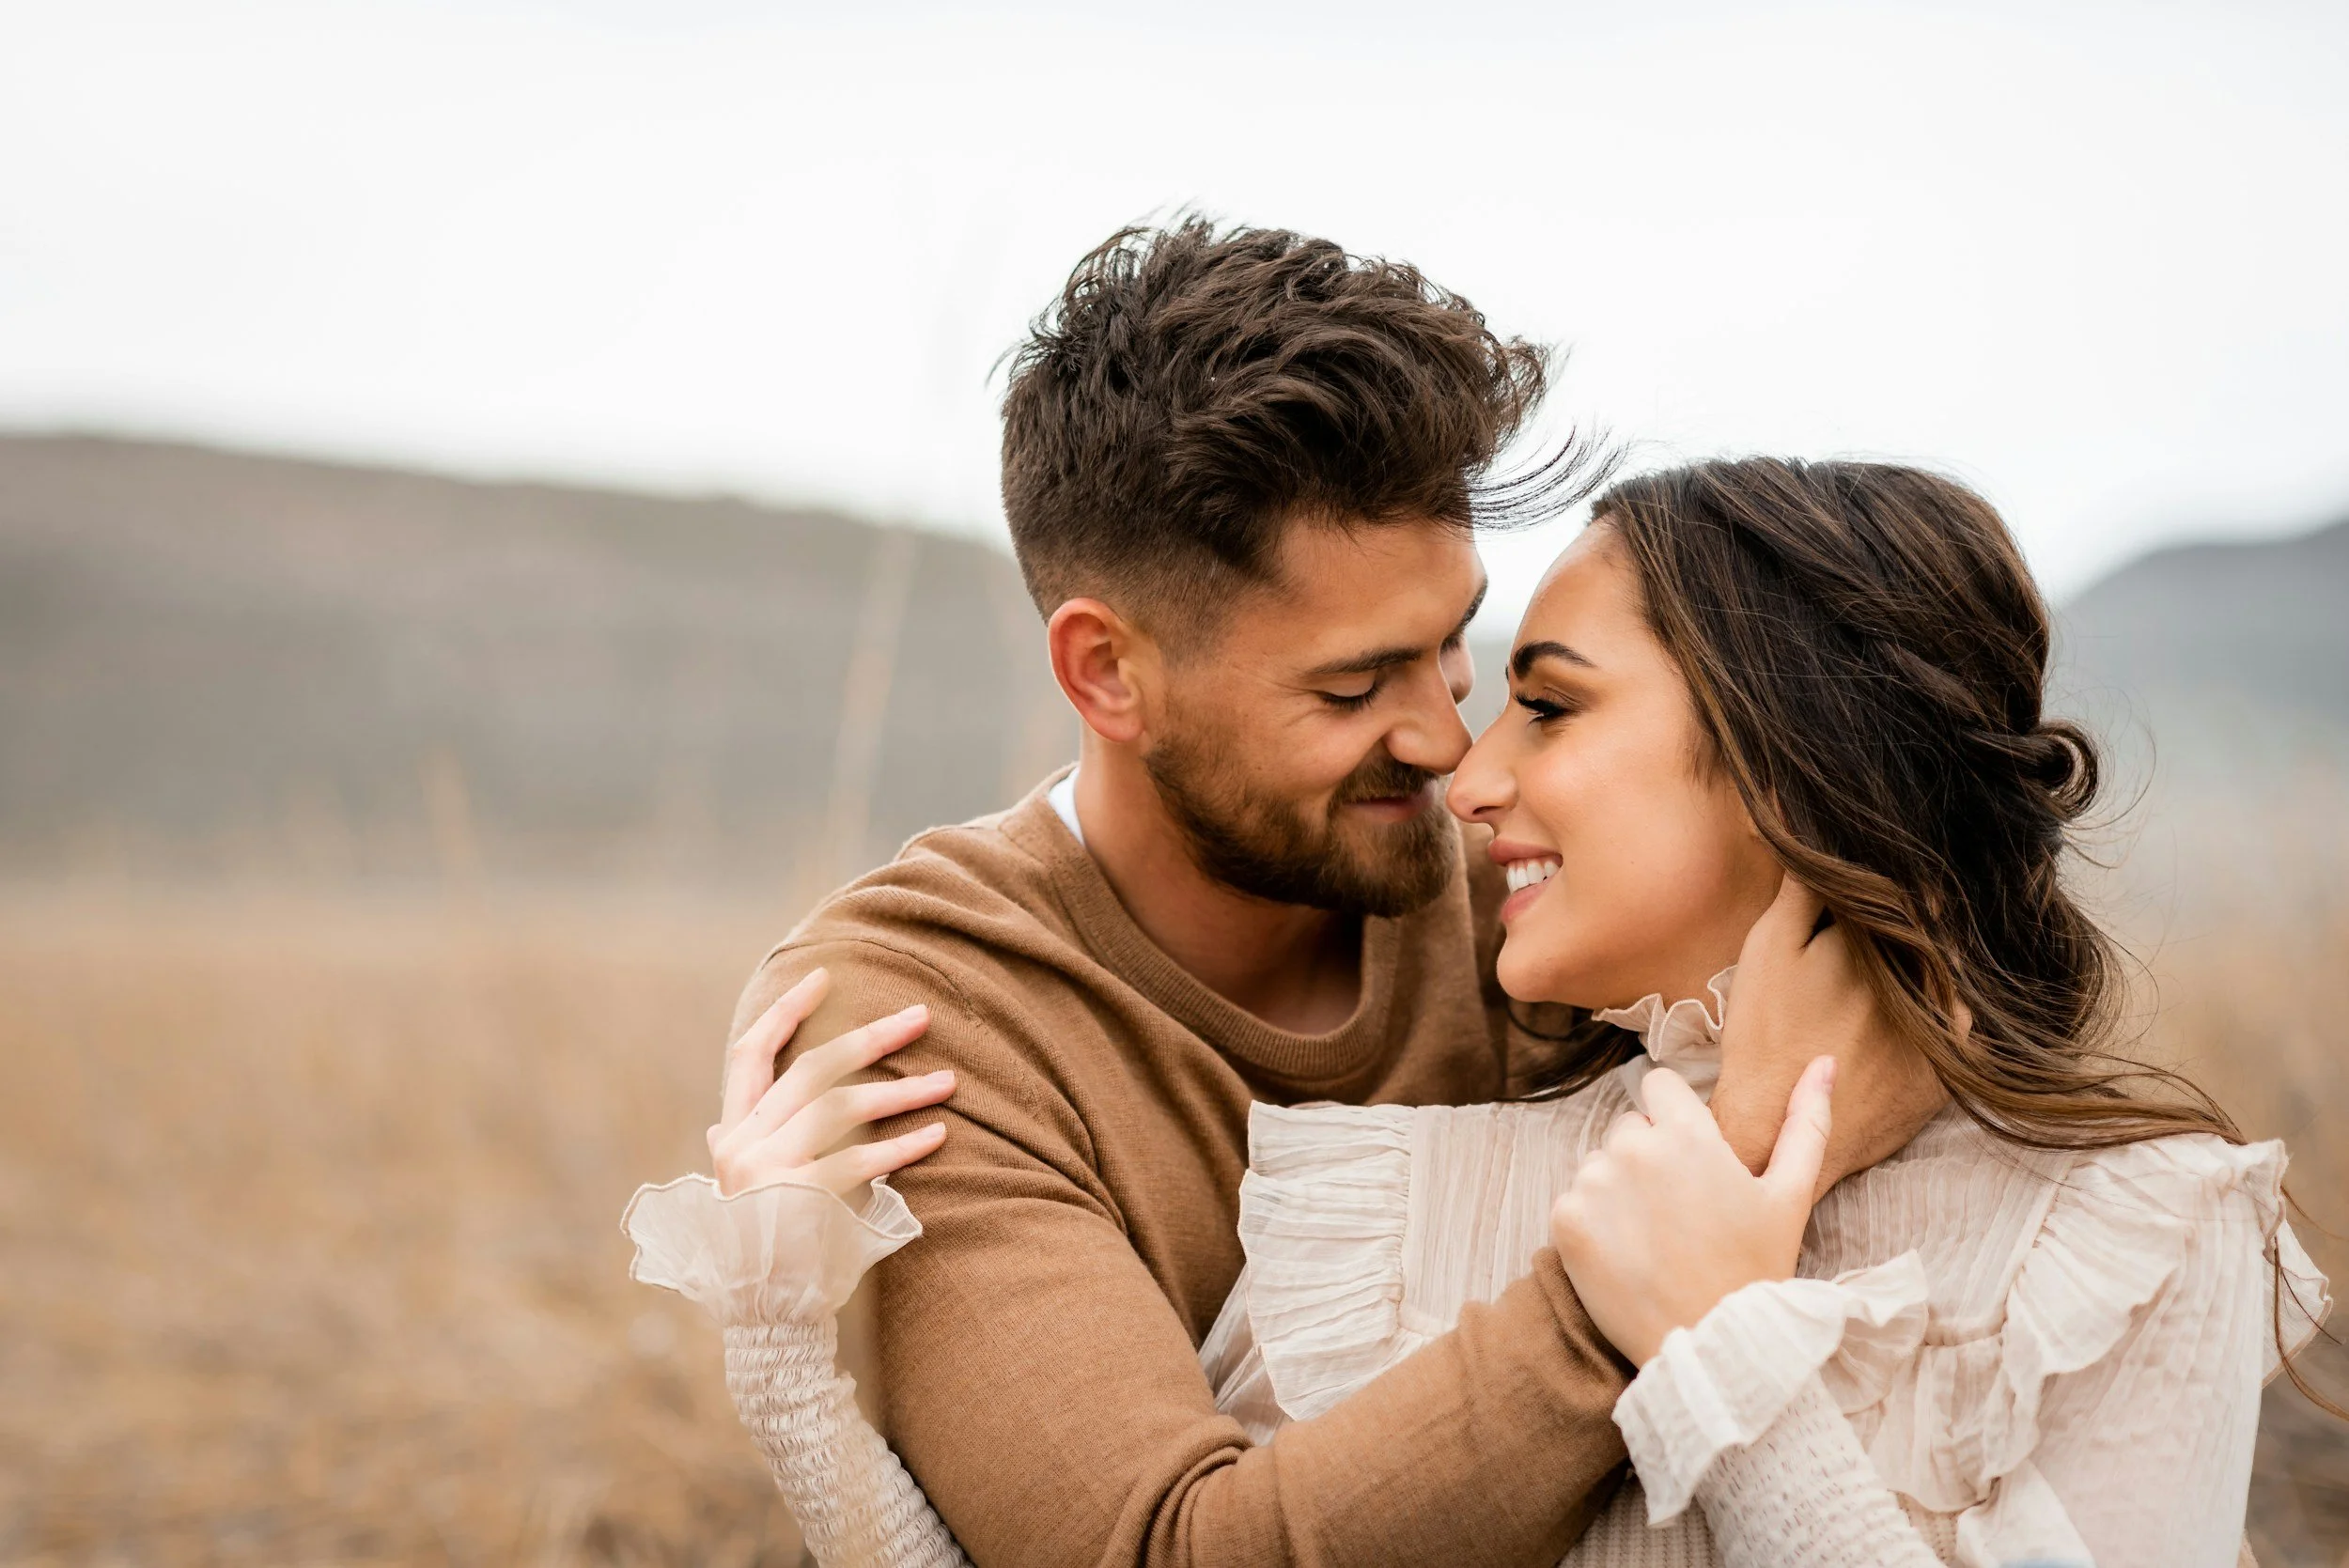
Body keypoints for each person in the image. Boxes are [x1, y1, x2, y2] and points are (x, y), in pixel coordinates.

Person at [631, 456, 2330, 1567]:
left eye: (1524, 691)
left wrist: (1723, 1346)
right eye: (1369, 686)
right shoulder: (1416, 1186)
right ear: (1107, 674)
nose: (1463, 765)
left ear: (1786, 759)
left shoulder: (2147, 1230)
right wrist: (785, 1348)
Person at [624, 218, 1942, 1567]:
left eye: (1452, 646)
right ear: (1107, 675)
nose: (1447, 743)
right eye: (1355, 684)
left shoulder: (1536, 896)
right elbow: (1163, 1555)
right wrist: (1632, 1289)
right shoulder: (924, 1017)